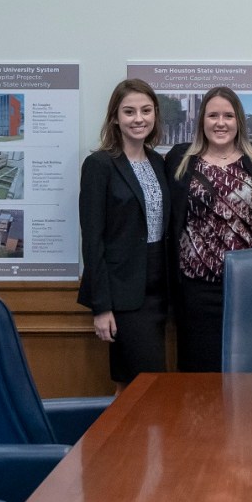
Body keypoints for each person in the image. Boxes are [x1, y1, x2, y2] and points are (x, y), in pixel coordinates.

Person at [165, 86, 252, 372]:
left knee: (249, 373)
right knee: (199, 375)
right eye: (213, 115)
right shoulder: (179, 159)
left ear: (238, 120)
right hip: (196, 289)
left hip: (250, 287)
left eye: (228, 115)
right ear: (202, 120)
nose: (220, 122)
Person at [78, 79, 170, 392]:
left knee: (131, 385)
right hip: (125, 295)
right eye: (129, 111)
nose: (138, 118)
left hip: (159, 289)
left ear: (155, 114)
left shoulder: (158, 162)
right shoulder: (99, 165)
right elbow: (92, 241)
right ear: (115, 117)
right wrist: (101, 307)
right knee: (148, 384)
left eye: (146, 110)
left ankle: (124, 442)